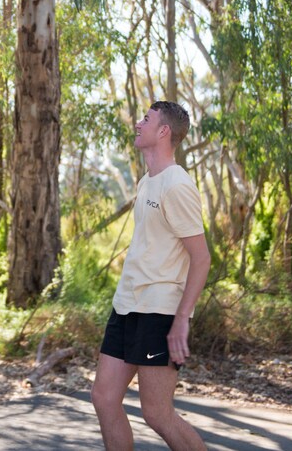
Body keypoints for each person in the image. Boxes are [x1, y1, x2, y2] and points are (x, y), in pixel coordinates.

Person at [91, 101, 211, 451]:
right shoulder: (148, 182)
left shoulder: (177, 184)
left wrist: (182, 319)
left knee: (157, 412)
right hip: (128, 305)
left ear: (163, 132)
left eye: (147, 119)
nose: (138, 123)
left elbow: (201, 258)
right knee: (104, 397)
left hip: (159, 310)